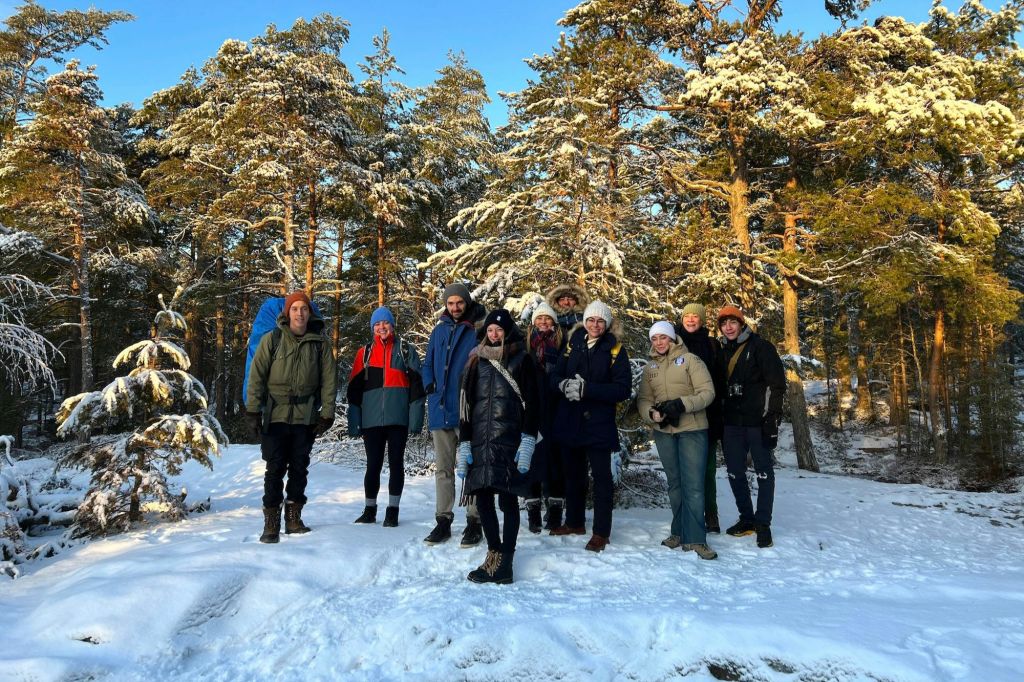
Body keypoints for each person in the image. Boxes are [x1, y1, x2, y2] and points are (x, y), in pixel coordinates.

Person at [246, 290, 337, 544]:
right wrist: (252, 411)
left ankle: (294, 517)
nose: (300, 313)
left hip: (305, 416)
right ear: (288, 313)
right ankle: (271, 522)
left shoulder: (320, 345)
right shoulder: (272, 340)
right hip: (275, 415)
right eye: (295, 309)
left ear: (310, 313)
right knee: (274, 469)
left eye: (304, 309)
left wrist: (326, 414)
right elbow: (257, 377)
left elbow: (329, 381)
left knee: (299, 468)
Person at [457, 309, 540, 584]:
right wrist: (465, 443)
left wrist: (528, 439)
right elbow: (466, 407)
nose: (494, 334)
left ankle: (506, 561)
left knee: (508, 500)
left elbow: (533, 403)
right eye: (490, 330)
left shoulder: (521, 359)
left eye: (499, 330)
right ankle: (493, 554)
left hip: (509, 439)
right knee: (483, 499)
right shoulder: (475, 362)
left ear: (508, 332)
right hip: (481, 440)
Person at [549, 300, 631, 552]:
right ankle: (574, 522)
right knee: (573, 475)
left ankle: (601, 532)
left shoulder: (616, 350)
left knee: (602, 479)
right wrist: (562, 386)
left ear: (606, 324)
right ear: (585, 321)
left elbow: (622, 389)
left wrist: (588, 389)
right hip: (570, 421)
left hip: (598, 423)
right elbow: (554, 376)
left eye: (600, 321)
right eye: (591, 320)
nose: (595, 325)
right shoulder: (572, 346)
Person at [638, 321, 717, 560]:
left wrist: (681, 404)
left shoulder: (691, 361)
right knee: (675, 484)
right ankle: (678, 532)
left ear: (672, 339)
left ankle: (696, 538)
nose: (659, 343)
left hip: (692, 429)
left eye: (663, 338)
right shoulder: (650, 367)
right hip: (665, 432)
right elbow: (643, 399)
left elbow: (707, 393)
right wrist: (652, 414)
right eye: (655, 339)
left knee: (693, 485)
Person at [346, 306, 425, 528]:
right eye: (377, 324)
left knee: (396, 464)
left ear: (392, 325)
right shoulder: (364, 353)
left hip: (398, 419)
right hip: (371, 421)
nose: (382, 327)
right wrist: (355, 421)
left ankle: (393, 511)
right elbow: (354, 390)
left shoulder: (405, 350)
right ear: (373, 328)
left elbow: (417, 388)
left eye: (386, 323)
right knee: (373, 465)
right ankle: (370, 510)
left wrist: (415, 419)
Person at [714, 305, 786, 549]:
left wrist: (772, 418)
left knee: (764, 472)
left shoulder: (761, 347)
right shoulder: (722, 350)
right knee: (735, 472)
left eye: (733, 322)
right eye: (724, 324)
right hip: (731, 422)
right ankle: (747, 519)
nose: (729, 327)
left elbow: (777, 385)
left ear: (742, 324)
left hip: (758, 421)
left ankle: (763, 523)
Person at [421, 283, 487, 546]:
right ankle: (443, 520)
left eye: (459, 302)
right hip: (439, 408)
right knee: (444, 468)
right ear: (446, 305)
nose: (455, 307)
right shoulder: (438, 331)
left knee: (471, 464)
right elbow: (428, 363)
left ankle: (474, 520)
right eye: (451, 303)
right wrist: (429, 385)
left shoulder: (477, 330)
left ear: (467, 303)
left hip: (466, 408)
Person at [674, 303, 723, 534]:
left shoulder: (712, 346)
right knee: (682, 471)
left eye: (696, 317)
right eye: (687, 316)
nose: (691, 320)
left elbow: (720, 382)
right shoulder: (672, 343)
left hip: (708, 415)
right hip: (678, 415)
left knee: (707, 469)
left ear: (702, 321)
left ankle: (710, 512)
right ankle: (685, 515)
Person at [524, 302, 565, 532]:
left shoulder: (561, 344)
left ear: (553, 322)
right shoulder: (526, 346)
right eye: (539, 319)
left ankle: (555, 509)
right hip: (532, 408)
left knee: (554, 461)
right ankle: (533, 511)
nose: (543, 322)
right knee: (532, 458)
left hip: (556, 407)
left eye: (547, 319)